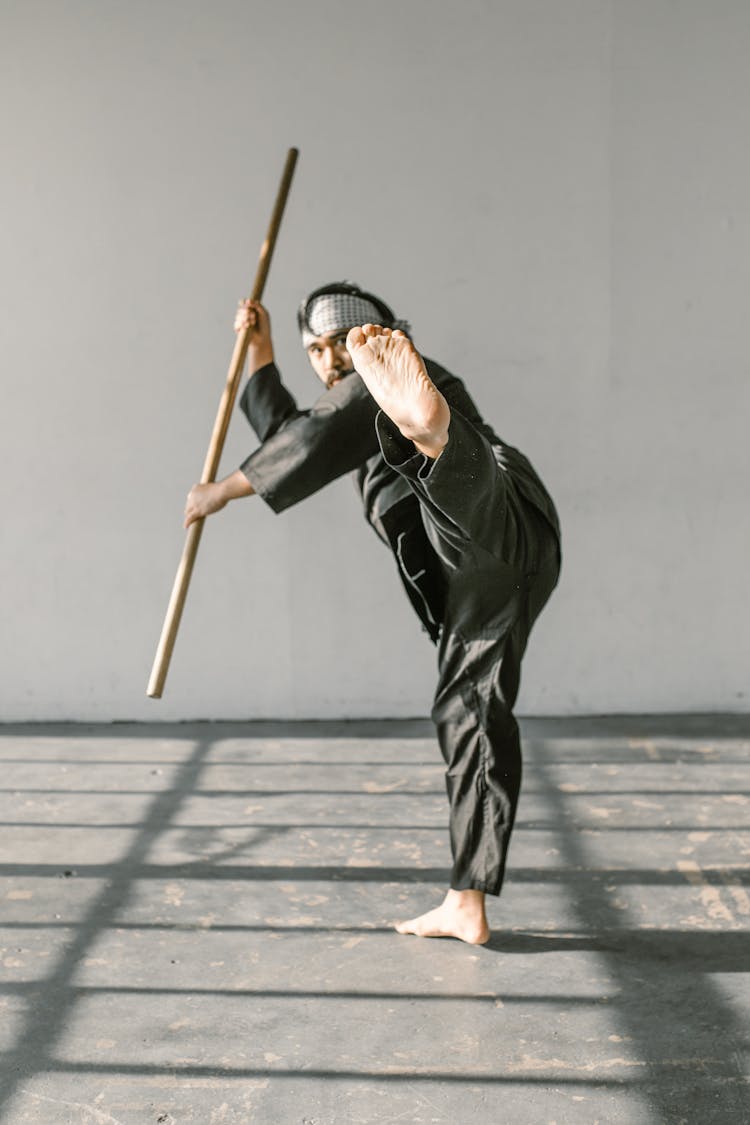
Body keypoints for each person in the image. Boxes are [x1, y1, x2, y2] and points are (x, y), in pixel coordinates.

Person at [184, 282, 561, 944]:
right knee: (466, 706)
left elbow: (310, 437)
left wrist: (222, 491)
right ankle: (465, 899)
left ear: (374, 336)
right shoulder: (358, 400)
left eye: (337, 342)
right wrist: (263, 353)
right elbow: (294, 435)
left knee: (464, 504)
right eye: (317, 348)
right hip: (501, 557)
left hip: (494, 519)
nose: (330, 358)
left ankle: (436, 435)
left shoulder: (368, 382)